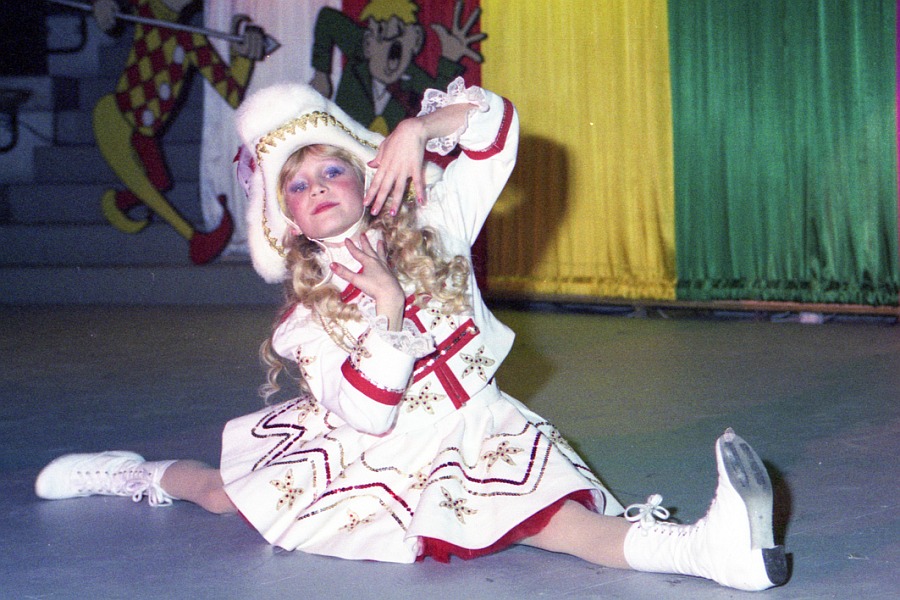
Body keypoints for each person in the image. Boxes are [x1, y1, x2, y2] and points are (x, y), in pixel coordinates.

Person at [34, 78, 788, 592]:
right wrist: (389, 312)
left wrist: (419, 128)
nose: (317, 189)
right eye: (295, 187)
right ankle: (134, 473)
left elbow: (499, 131)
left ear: (366, 175)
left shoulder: (435, 219)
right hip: (370, 450)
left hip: (479, 428)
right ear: (285, 218)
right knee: (226, 496)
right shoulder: (307, 315)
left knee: (567, 525)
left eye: (331, 170)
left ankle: (715, 552)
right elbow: (368, 413)